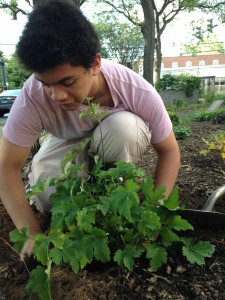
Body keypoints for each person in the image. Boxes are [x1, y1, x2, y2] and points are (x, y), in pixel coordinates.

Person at [0, 0, 180, 258]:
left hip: (112, 134)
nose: (56, 95)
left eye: (67, 81)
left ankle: (114, 189)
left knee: (124, 129)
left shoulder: (135, 89)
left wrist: (154, 209)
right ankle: (75, 179)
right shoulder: (31, 96)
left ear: (95, 64)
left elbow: (170, 150)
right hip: (64, 139)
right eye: (46, 84)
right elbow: (6, 166)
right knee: (49, 196)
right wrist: (31, 234)